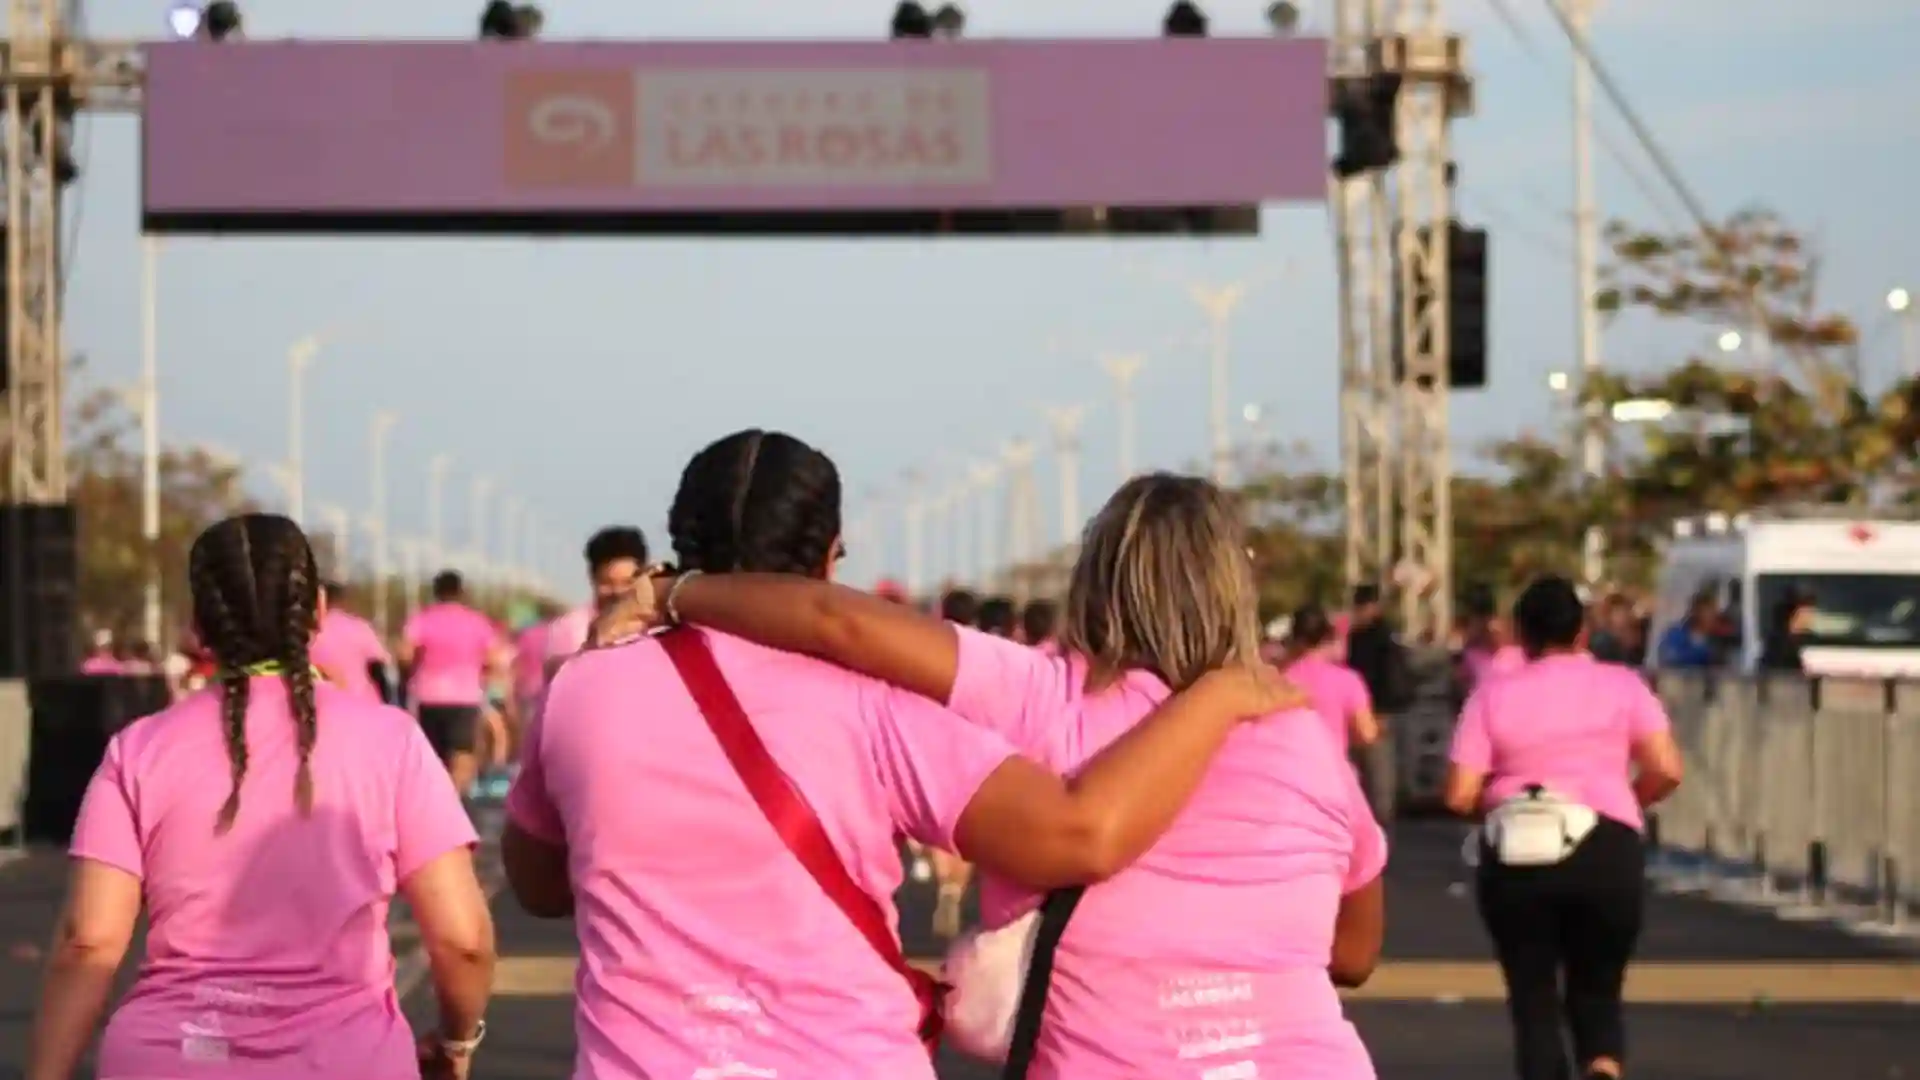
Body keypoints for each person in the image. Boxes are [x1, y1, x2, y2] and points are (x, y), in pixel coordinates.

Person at [502, 434, 1294, 1080]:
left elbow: (538, 885)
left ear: (681, 546)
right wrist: (1218, 695)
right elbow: (1068, 836)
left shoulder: (580, 689)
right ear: (829, 559)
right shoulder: (881, 704)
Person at [27, 513, 494, 1080]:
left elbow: (89, 941)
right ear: (317, 612)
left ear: (200, 626)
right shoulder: (392, 741)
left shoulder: (138, 749)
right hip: (348, 1061)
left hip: (174, 1058)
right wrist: (456, 1041)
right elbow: (463, 940)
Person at [1444, 575, 1686, 1080]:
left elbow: (1459, 794)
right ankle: (1602, 1065)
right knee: (1598, 987)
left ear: (1521, 635)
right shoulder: (1623, 684)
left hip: (1517, 852)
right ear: (1582, 632)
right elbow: (1667, 769)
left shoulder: (1491, 695)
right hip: (1606, 844)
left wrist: (1499, 808)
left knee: (1532, 997)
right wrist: (1624, 804)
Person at [401, 571, 506, 796]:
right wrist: (481, 672)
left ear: (435, 592)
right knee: (462, 753)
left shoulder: (422, 619)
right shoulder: (477, 622)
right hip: (465, 697)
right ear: (461, 592)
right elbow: (494, 659)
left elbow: (405, 654)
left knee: (433, 755)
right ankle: (453, 799)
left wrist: (412, 671)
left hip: (428, 696)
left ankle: (434, 799)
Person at [543, 526, 649, 679]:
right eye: (608, 583)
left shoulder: (657, 628)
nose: (618, 592)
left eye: (627, 583)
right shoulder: (569, 629)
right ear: (592, 579)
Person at [1284, 604, 1381, 753]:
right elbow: (1367, 733)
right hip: (1331, 762)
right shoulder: (1348, 680)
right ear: (1329, 637)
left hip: (1289, 763)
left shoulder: (1281, 679)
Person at [310, 580, 395, 702]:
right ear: (342, 601)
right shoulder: (360, 627)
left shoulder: (311, 631)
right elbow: (380, 664)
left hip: (322, 704)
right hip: (363, 702)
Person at [1346, 583, 1412, 712]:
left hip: (1383, 703)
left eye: (1362, 608)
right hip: (1366, 700)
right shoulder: (1356, 636)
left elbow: (1390, 672)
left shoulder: (1383, 635)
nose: (1358, 613)